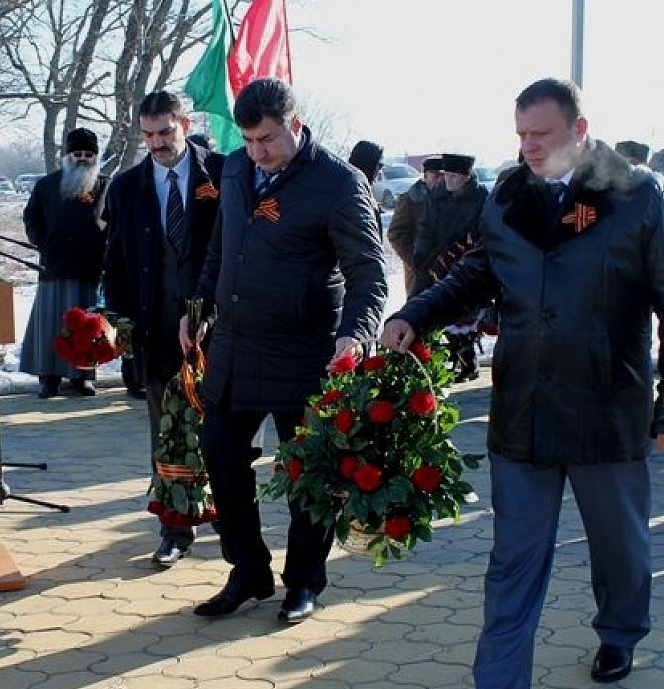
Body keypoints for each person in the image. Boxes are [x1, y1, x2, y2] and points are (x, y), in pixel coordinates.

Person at [381, 78, 664, 689]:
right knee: (513, 558)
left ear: (579, 132)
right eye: (521, 135)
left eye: (542, 135)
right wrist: (416, 313)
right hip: (524, 408)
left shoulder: (640, 195)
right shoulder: (509, 195)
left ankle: (620, 632)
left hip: (606, 405)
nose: (528, 147)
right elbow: (480, 271)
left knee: (618, 544)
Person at [180, 77, 388, 623]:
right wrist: (199, 308)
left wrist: (356, 333)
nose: (257, 153)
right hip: (234, 349)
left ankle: (303, 582)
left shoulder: (339, 183)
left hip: (307, 354)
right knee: (222, 458)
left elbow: (370, 271)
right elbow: (220, 250)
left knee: (306, 477)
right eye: (248, 141)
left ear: (295, 123)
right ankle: (249, 571)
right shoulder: (233, 169)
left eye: (268, 139)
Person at [103, 90, 224, 567]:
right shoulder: (127, 186)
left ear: (185, 125)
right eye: (148, 134)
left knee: (223, 432)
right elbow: (114, 261)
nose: (156, 143)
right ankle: (175, 529)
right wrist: (116, 320)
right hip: (156, 333)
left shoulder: (222, 174)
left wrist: (208, 311)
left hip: (217, 330)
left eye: (165, 132)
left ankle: (228, 517)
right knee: (165, 432)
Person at [19, 127, 110, 399]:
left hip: (89, 269)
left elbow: (114, 224)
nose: (82, 159)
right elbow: (31, 218)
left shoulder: (105, 186)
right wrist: (43, 242)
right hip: (54, 268)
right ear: (67, 155)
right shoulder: (46, 185)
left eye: (88, 154)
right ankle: (49, 378)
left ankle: (82, 376)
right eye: (76, 153)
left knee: (87, 327)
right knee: (51, 324)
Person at [411, 152, 490, 380]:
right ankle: (455, 360)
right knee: (442, 314)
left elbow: (483, 230)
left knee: (466, 316)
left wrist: (467, 249)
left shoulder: (480, 197)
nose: (450, 181)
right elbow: (425, 226)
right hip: (437, 263)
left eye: (455, 176)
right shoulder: (437, 196)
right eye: (448, 176)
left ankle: (468, 363)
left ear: (466, 177)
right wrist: (420, 252)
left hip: (466, 262)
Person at [387, 155, 443, 295]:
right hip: (419, 274)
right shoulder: (410, 199)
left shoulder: (448, 199)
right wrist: (416, 260)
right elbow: (396, 234)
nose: (439, 179)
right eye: (435, 175)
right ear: (425, 176)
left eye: (442, 175)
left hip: (444, 272)